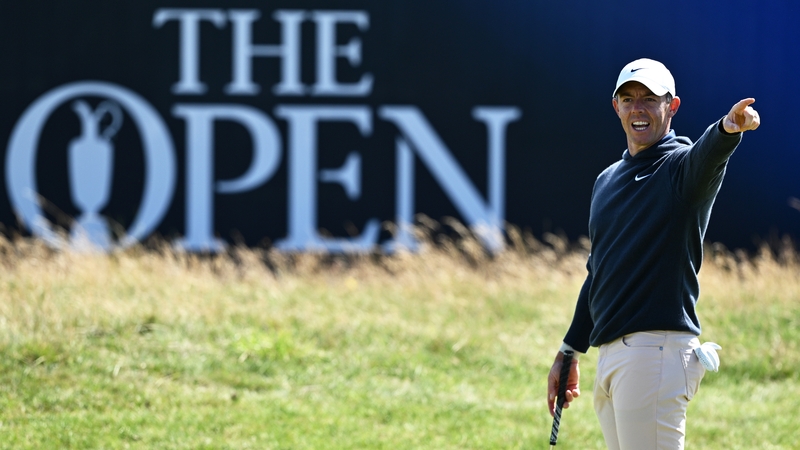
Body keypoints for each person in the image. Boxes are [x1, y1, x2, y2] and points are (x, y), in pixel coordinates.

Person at [546, 58, 760, 449]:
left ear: (672, 106)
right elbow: (599, 273)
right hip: (611, 357)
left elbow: (707, 157)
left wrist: (727, 129)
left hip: (654, 355)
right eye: (628, 99)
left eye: (650, 98)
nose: (638, 109)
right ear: (616, 106)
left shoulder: (680, 168)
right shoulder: (606, 181)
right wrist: (569, 350)